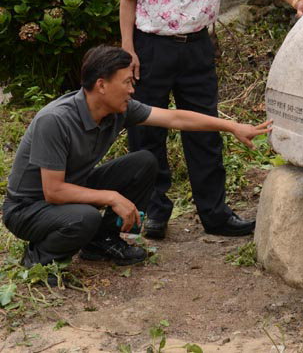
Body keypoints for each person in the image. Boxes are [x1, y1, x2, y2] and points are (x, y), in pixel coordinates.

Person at [119, 0, 303, 239]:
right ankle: (154, 212)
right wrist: (128, 49)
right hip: (151, 48)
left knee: (206, 132)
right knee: (146, 131)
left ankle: (215, 214)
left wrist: (296, 0)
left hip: (197, 48)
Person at [2, 45, 271, 276]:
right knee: (84, 217)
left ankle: (102, 241)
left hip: (71, 189)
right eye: (127, 82)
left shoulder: (118, 109)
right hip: (28, 209)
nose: (132, 89)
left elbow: (175, 118)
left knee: (142, 162)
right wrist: (111, 197)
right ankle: (39, 258)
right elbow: (54, 191)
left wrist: (232, 126)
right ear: (101, 85)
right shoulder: (56, 120)